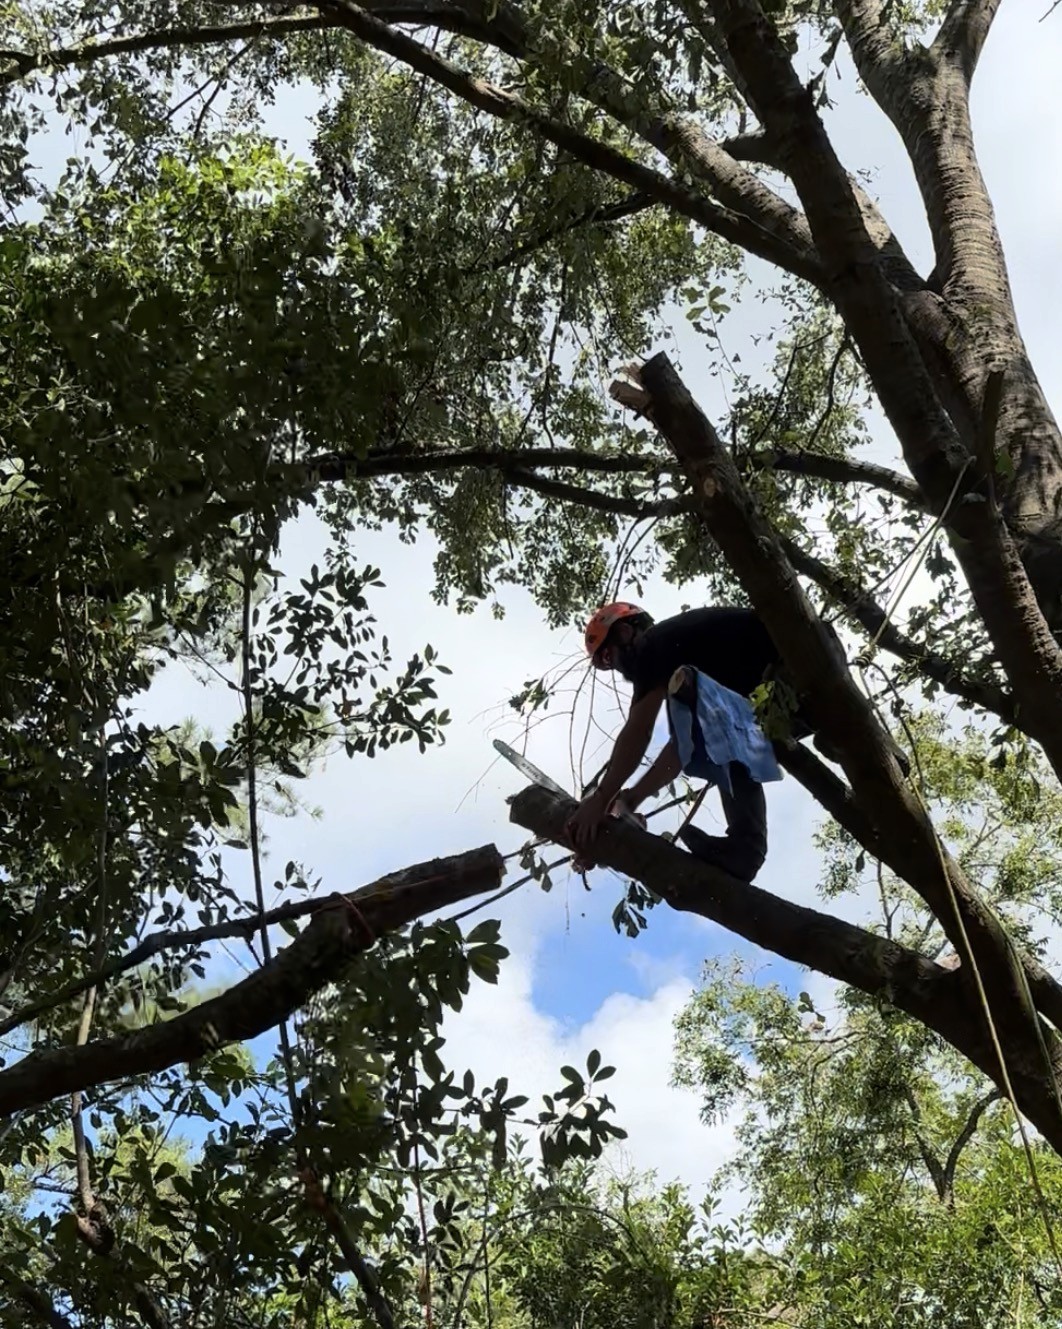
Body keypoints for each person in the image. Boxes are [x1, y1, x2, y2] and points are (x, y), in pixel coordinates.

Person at [565, 601, 806, 881]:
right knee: (712, 734)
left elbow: (639, 730)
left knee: (716, 729)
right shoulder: (683, 658)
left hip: (791, 670)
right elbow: (682, 749)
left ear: (624, 633)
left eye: (608, 658)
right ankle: (745, 851)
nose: (617, 670)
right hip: (792, 693)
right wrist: (631, 799)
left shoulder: (651, 646)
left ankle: (747, 847)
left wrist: (601, 797)